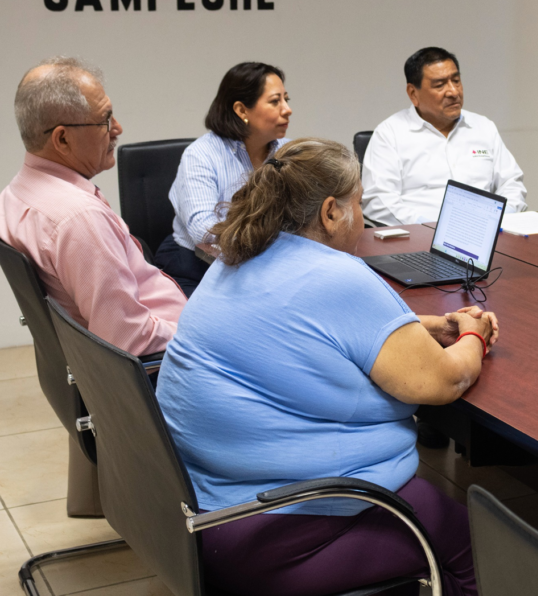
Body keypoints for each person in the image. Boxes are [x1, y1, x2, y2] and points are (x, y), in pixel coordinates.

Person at [155, 138, 492, 596]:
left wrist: (420, 328)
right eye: (360, 204)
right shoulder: (338, 277)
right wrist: (475, 334)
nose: (364, 217)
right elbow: (446, 379)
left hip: (212, 510)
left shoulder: (241, 254)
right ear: (331, 212)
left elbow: (308, 330)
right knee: (484, 550)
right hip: (287, 527)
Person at [0, 57, 187, 516]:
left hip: (94, 373)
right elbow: (128, 338)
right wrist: (205, 332)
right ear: (61, 138)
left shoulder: (17, 193)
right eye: (105, 120)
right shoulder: (77, 218)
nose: (118, 127)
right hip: (165, 372)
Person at [158, 62, 292, 295]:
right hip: (197, 266)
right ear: (242, 111)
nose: (287, 109)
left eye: (286, 99)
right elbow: (203, 228)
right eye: (275, 101)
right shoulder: (201, 154)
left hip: (266, 264)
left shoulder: (288, 152)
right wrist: (262, 241)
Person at [361, 46, 527, 226]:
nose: (453, 92)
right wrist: (431, 228)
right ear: (413, 93)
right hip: (419, 239)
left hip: (484, 235)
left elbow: (511, 183)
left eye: (456, 81)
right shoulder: (390, 133)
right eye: (440, 85)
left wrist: (501, 219)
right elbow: (378, 200)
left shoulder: (483, 127)